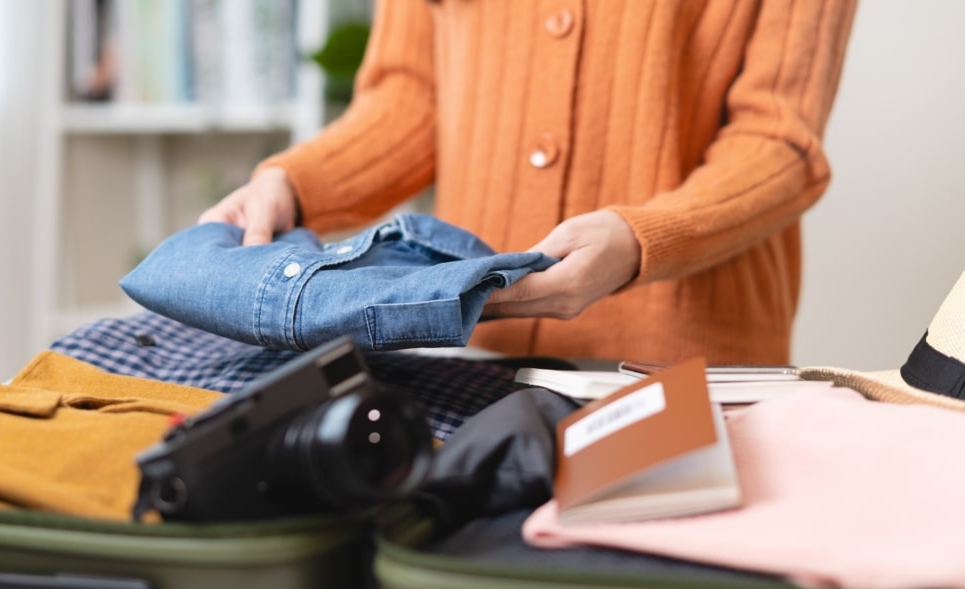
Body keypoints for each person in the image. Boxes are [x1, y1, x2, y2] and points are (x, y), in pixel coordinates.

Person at [200, 0, 858, 364]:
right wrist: (294, 180)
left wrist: (642, 240)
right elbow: (414, 98)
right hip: (475, 349)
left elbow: (781, 144)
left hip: (685, 367)